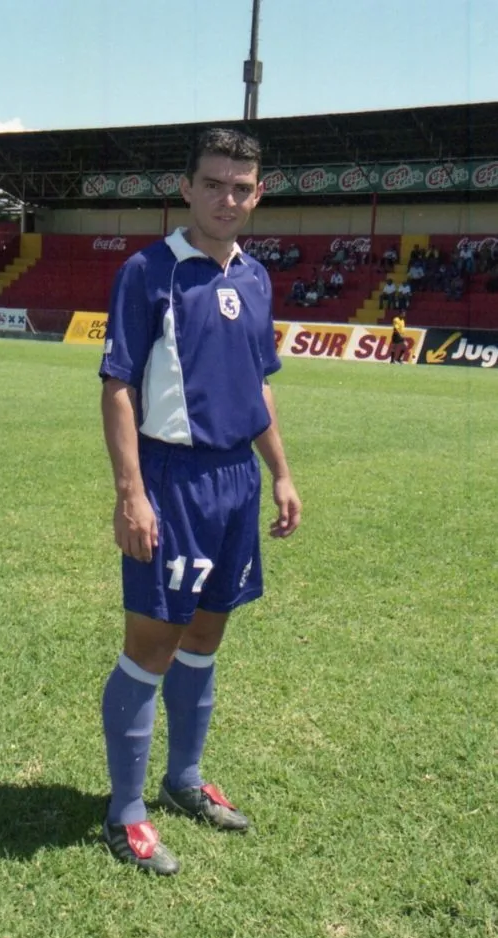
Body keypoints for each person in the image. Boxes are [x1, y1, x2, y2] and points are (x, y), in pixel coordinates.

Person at [98, 127, 302, 876]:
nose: (226, 198)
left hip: (233, 483)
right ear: (185, 188)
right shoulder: (148, 272)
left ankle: (183, 779)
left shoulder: (253, 277)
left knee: (205, 639)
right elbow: (117, 384)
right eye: (212, 183)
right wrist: (132, 495)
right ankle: (125, 812)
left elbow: (258, 385)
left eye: (240, 186)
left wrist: (278, 472)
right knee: (151, 645)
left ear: (258, 193)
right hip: (172, 483)